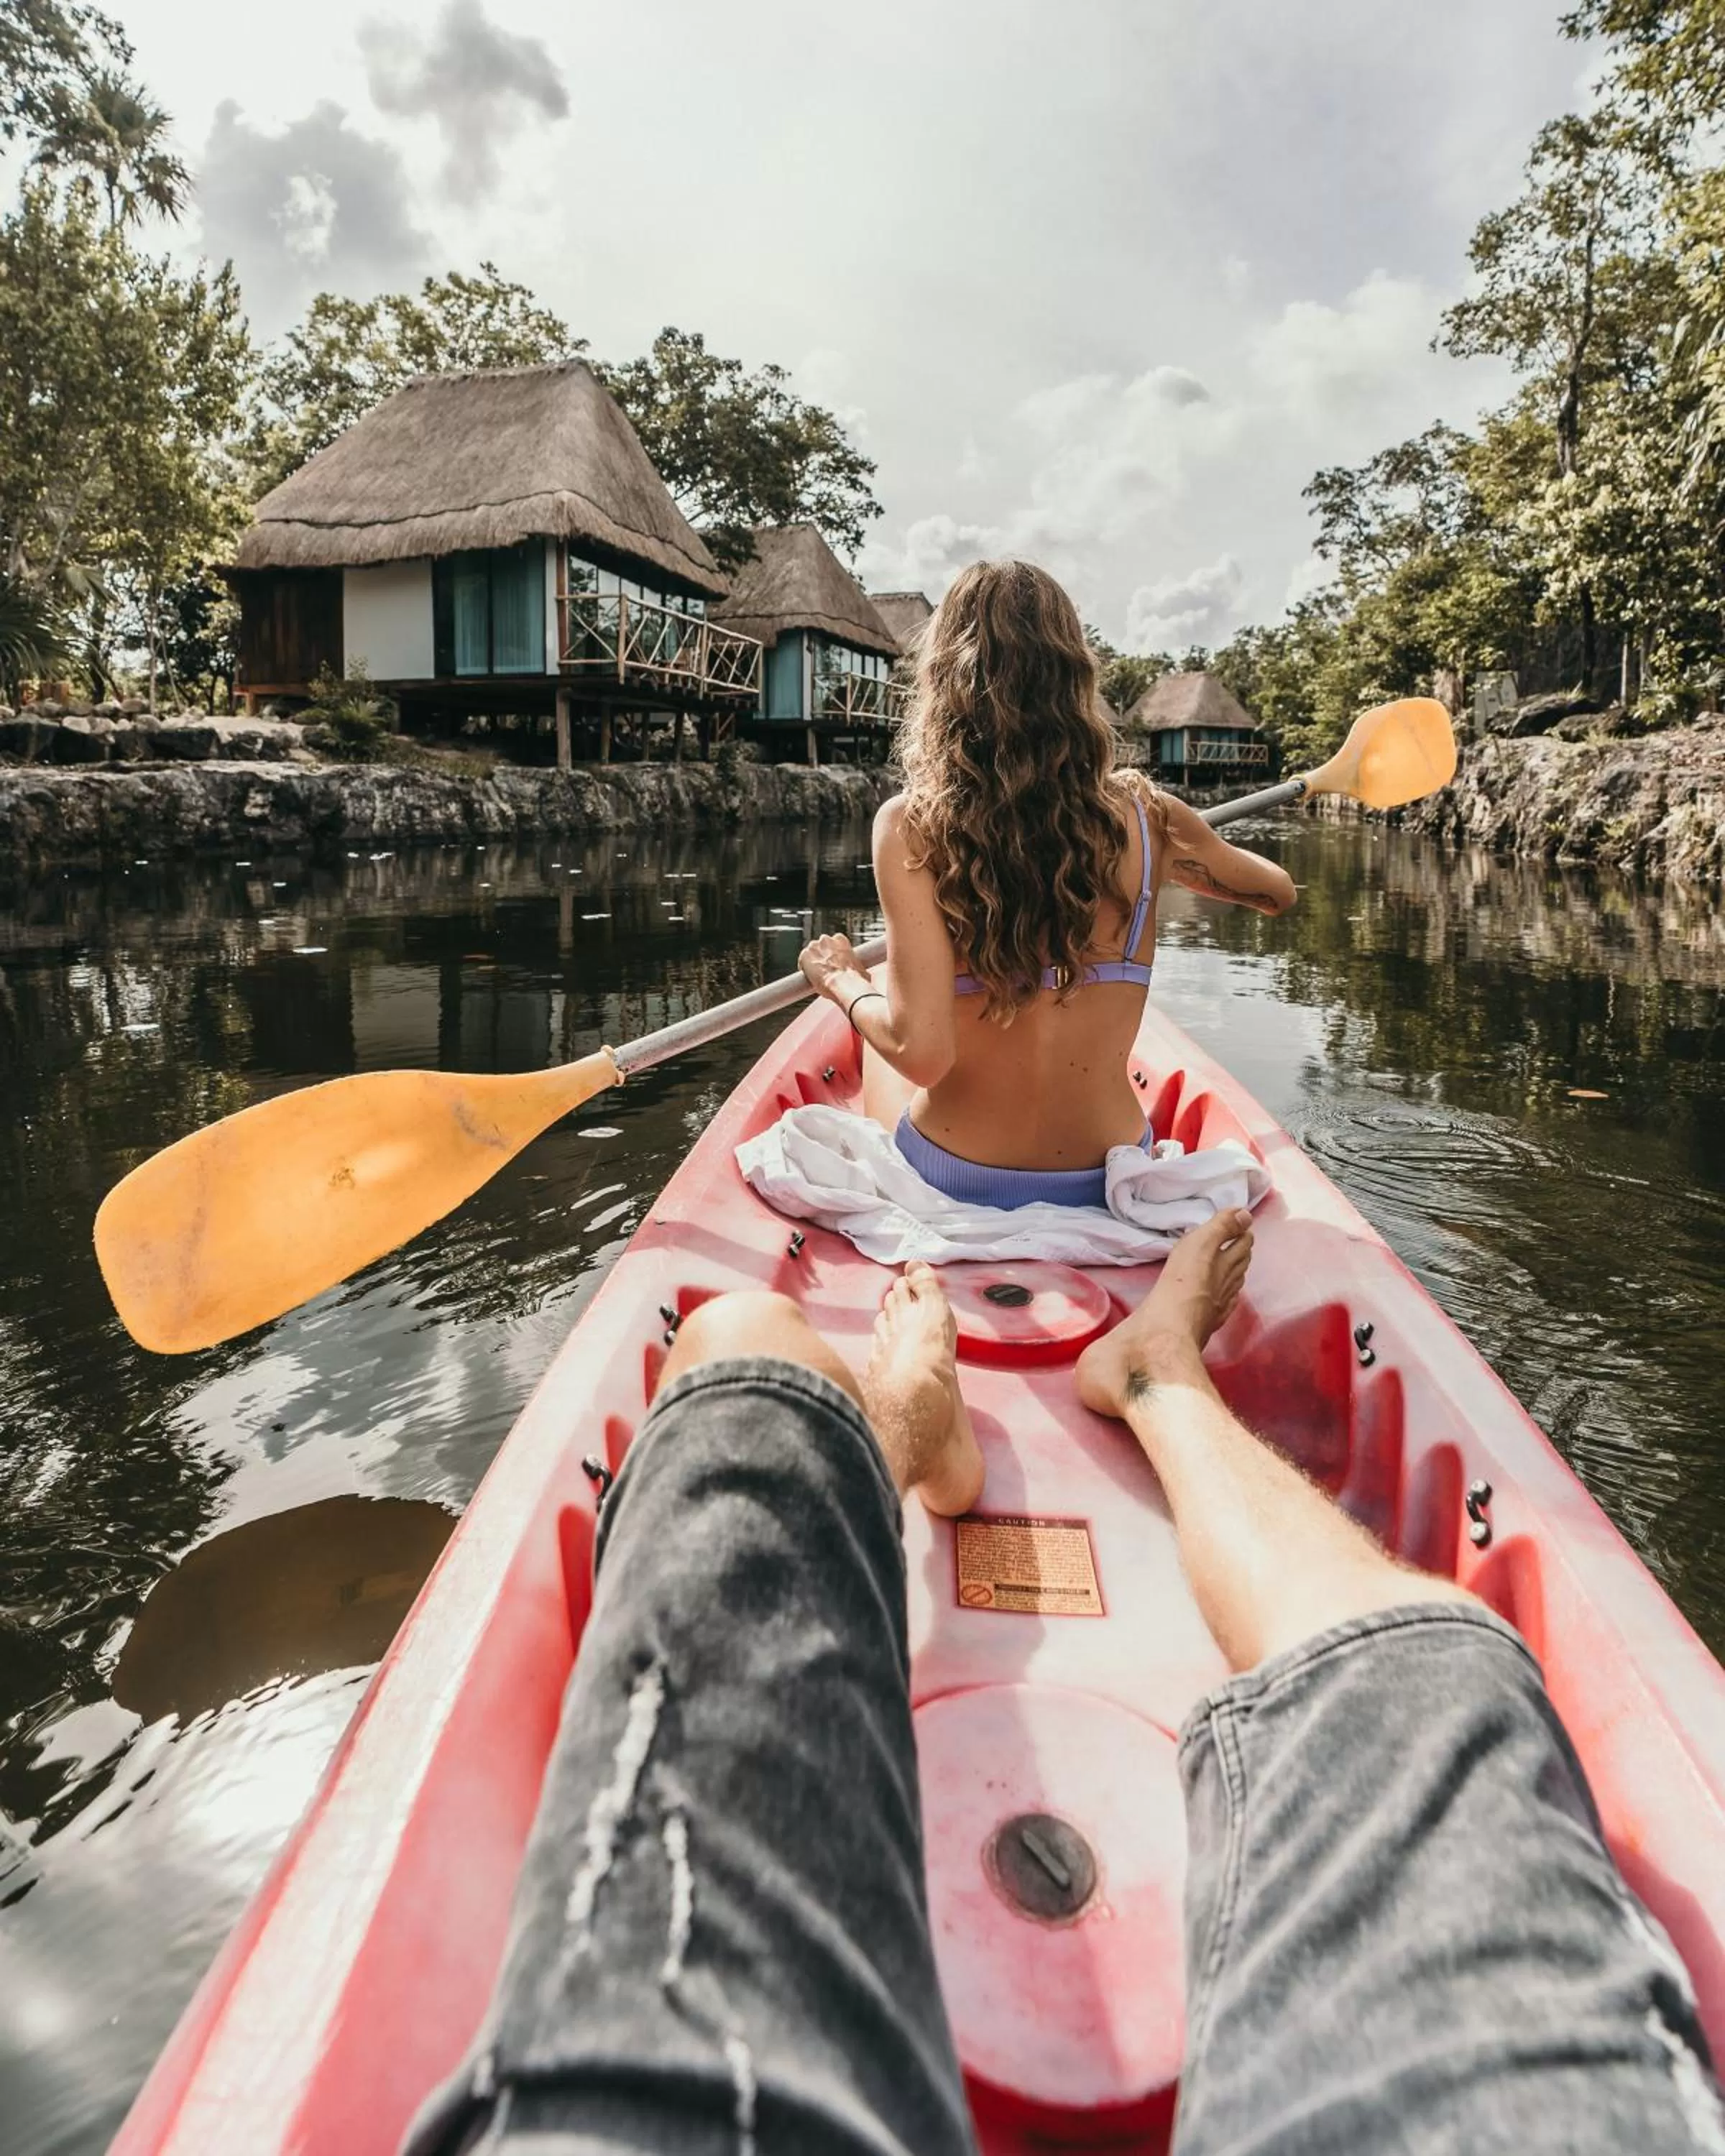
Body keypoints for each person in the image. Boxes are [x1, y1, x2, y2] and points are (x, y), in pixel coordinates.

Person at [403, 1223, 1721, 2156]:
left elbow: (914, 1042)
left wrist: (849, 996)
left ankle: (898, 1415)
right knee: (1439, 1678)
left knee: (744, 1345)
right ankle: (1159, 1378)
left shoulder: (913, 849)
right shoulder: (1146, 846)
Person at [797, 558, 1296, 1210]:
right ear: (1074, 679)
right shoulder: (1152, 817)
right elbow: (1277, 892)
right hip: (1109, 1171)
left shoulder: (910, 826)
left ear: (945, 681)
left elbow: (921, 1056)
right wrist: (1174, 861)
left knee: (872, 1045)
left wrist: (842, 981)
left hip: (956, 1171)